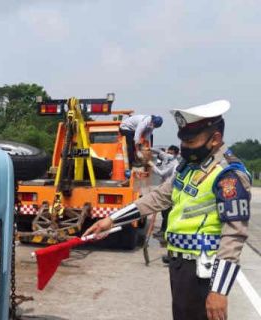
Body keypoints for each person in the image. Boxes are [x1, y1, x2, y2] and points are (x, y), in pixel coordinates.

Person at [84, 100, 250, 320]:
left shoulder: (228, 174)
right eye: (184, 141)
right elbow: (159, 197)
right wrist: (112, 219)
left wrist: (219, 290)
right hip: (180, 265)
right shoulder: (189, 167)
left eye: (191, 141)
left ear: (215, 139)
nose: (185, 147)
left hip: (204, 272)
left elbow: (234, 234)